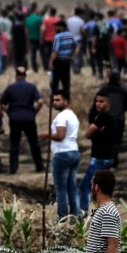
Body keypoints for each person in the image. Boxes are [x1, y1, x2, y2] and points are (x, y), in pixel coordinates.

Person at [0, 66, 44, 174]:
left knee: (14, 144)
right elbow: (40, 102)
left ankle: (13, 168)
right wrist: (34, 112)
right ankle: (39, 166)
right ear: (25, 75)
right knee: (34, 143)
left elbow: (1, 103)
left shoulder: (10, 87)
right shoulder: (31, 87)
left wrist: (9, 112)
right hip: (29, 118)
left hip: (15, 119)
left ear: (16, 75)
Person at [79, 96, 119, 211]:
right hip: (106, 156)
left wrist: (94, 131)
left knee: (85, 185)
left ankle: (83, 215)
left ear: (108, 103)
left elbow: (88, 134)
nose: (98, 104)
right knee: (100, 188)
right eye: (96, 101)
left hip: (100, 157)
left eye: (101, 101)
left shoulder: (103, 117)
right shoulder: (109, 118)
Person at [48, 90, 82, 219]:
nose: (55, 103)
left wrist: (47, 135)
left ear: (66, 101)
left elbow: (60, 136)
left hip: (62, 153)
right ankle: (76, 216)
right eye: (54, 100)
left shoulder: (61, 117)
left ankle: (62, 218)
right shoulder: (73, 115)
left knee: (61, 189)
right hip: (74, 151)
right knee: (72, 187)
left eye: (58, 100)